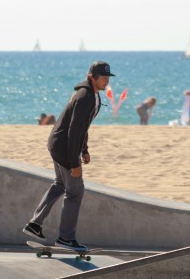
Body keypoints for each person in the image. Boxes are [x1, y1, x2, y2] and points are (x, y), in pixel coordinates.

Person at [23, 61, 112, 251]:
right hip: (64, 148)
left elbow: (83, 127)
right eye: (103, 78)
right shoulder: (84, 97)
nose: (107, 81)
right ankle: (65, 238)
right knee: (75, 191)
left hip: (58, 145)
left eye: (108, 78)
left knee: (61, 185)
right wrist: (74, 163)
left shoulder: (91, 95)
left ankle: (35, 223)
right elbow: (73, 131)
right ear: (92, 77)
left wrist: (85, 149)